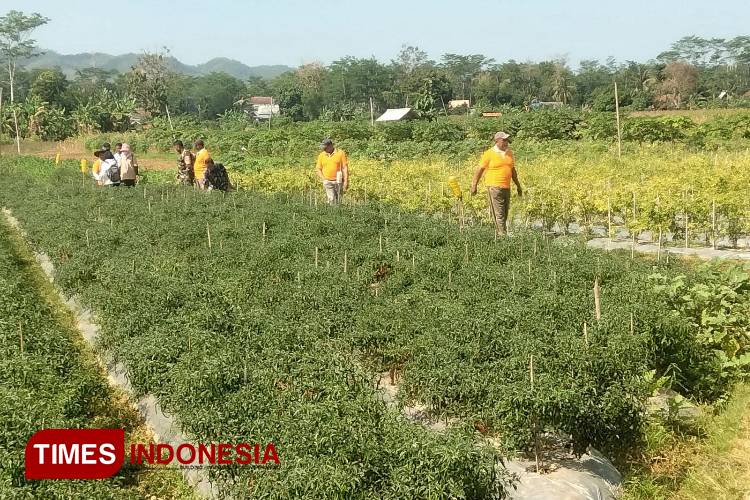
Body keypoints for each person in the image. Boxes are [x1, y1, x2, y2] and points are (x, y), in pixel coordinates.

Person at [470, 131, 523, 235]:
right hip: (494, 186)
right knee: (499, 213)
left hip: (506, 187)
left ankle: (500, 234)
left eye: (507, 140)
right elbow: (479, 170)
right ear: (497, 141)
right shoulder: (489, 154)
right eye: (504, 140)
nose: (506, 142)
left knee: (505, 212)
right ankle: (502, 235)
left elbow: (513, 171)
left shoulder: (509, 153)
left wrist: (518, 186)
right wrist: (474, 185)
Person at [315, 138, 348, 204]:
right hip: (327, 181)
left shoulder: (340, 153)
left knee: (339, 199)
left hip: (339, 181)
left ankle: (338, 212)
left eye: (325, 147)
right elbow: (318, 169)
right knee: (331, 199)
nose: (324, 149)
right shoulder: (321, 155)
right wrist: (324, 179)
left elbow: (344, 167)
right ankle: (331, 212)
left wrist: (346, 181)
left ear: (330, 146)